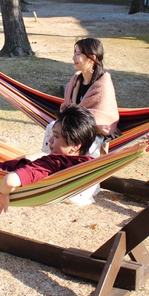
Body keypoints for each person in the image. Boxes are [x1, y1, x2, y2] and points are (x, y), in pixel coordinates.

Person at [41, 37, 120, 205]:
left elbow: (101, 115)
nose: (74, 58)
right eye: (74, 53)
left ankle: (82, 191)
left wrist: (74, 121)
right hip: (73, 126)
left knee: (88, 145)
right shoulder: (76, 79)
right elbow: (67, 107)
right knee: (51, 128)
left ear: (92, 58)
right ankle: (47, 171)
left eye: (79, 54)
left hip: (96, 132)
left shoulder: (103, 83)